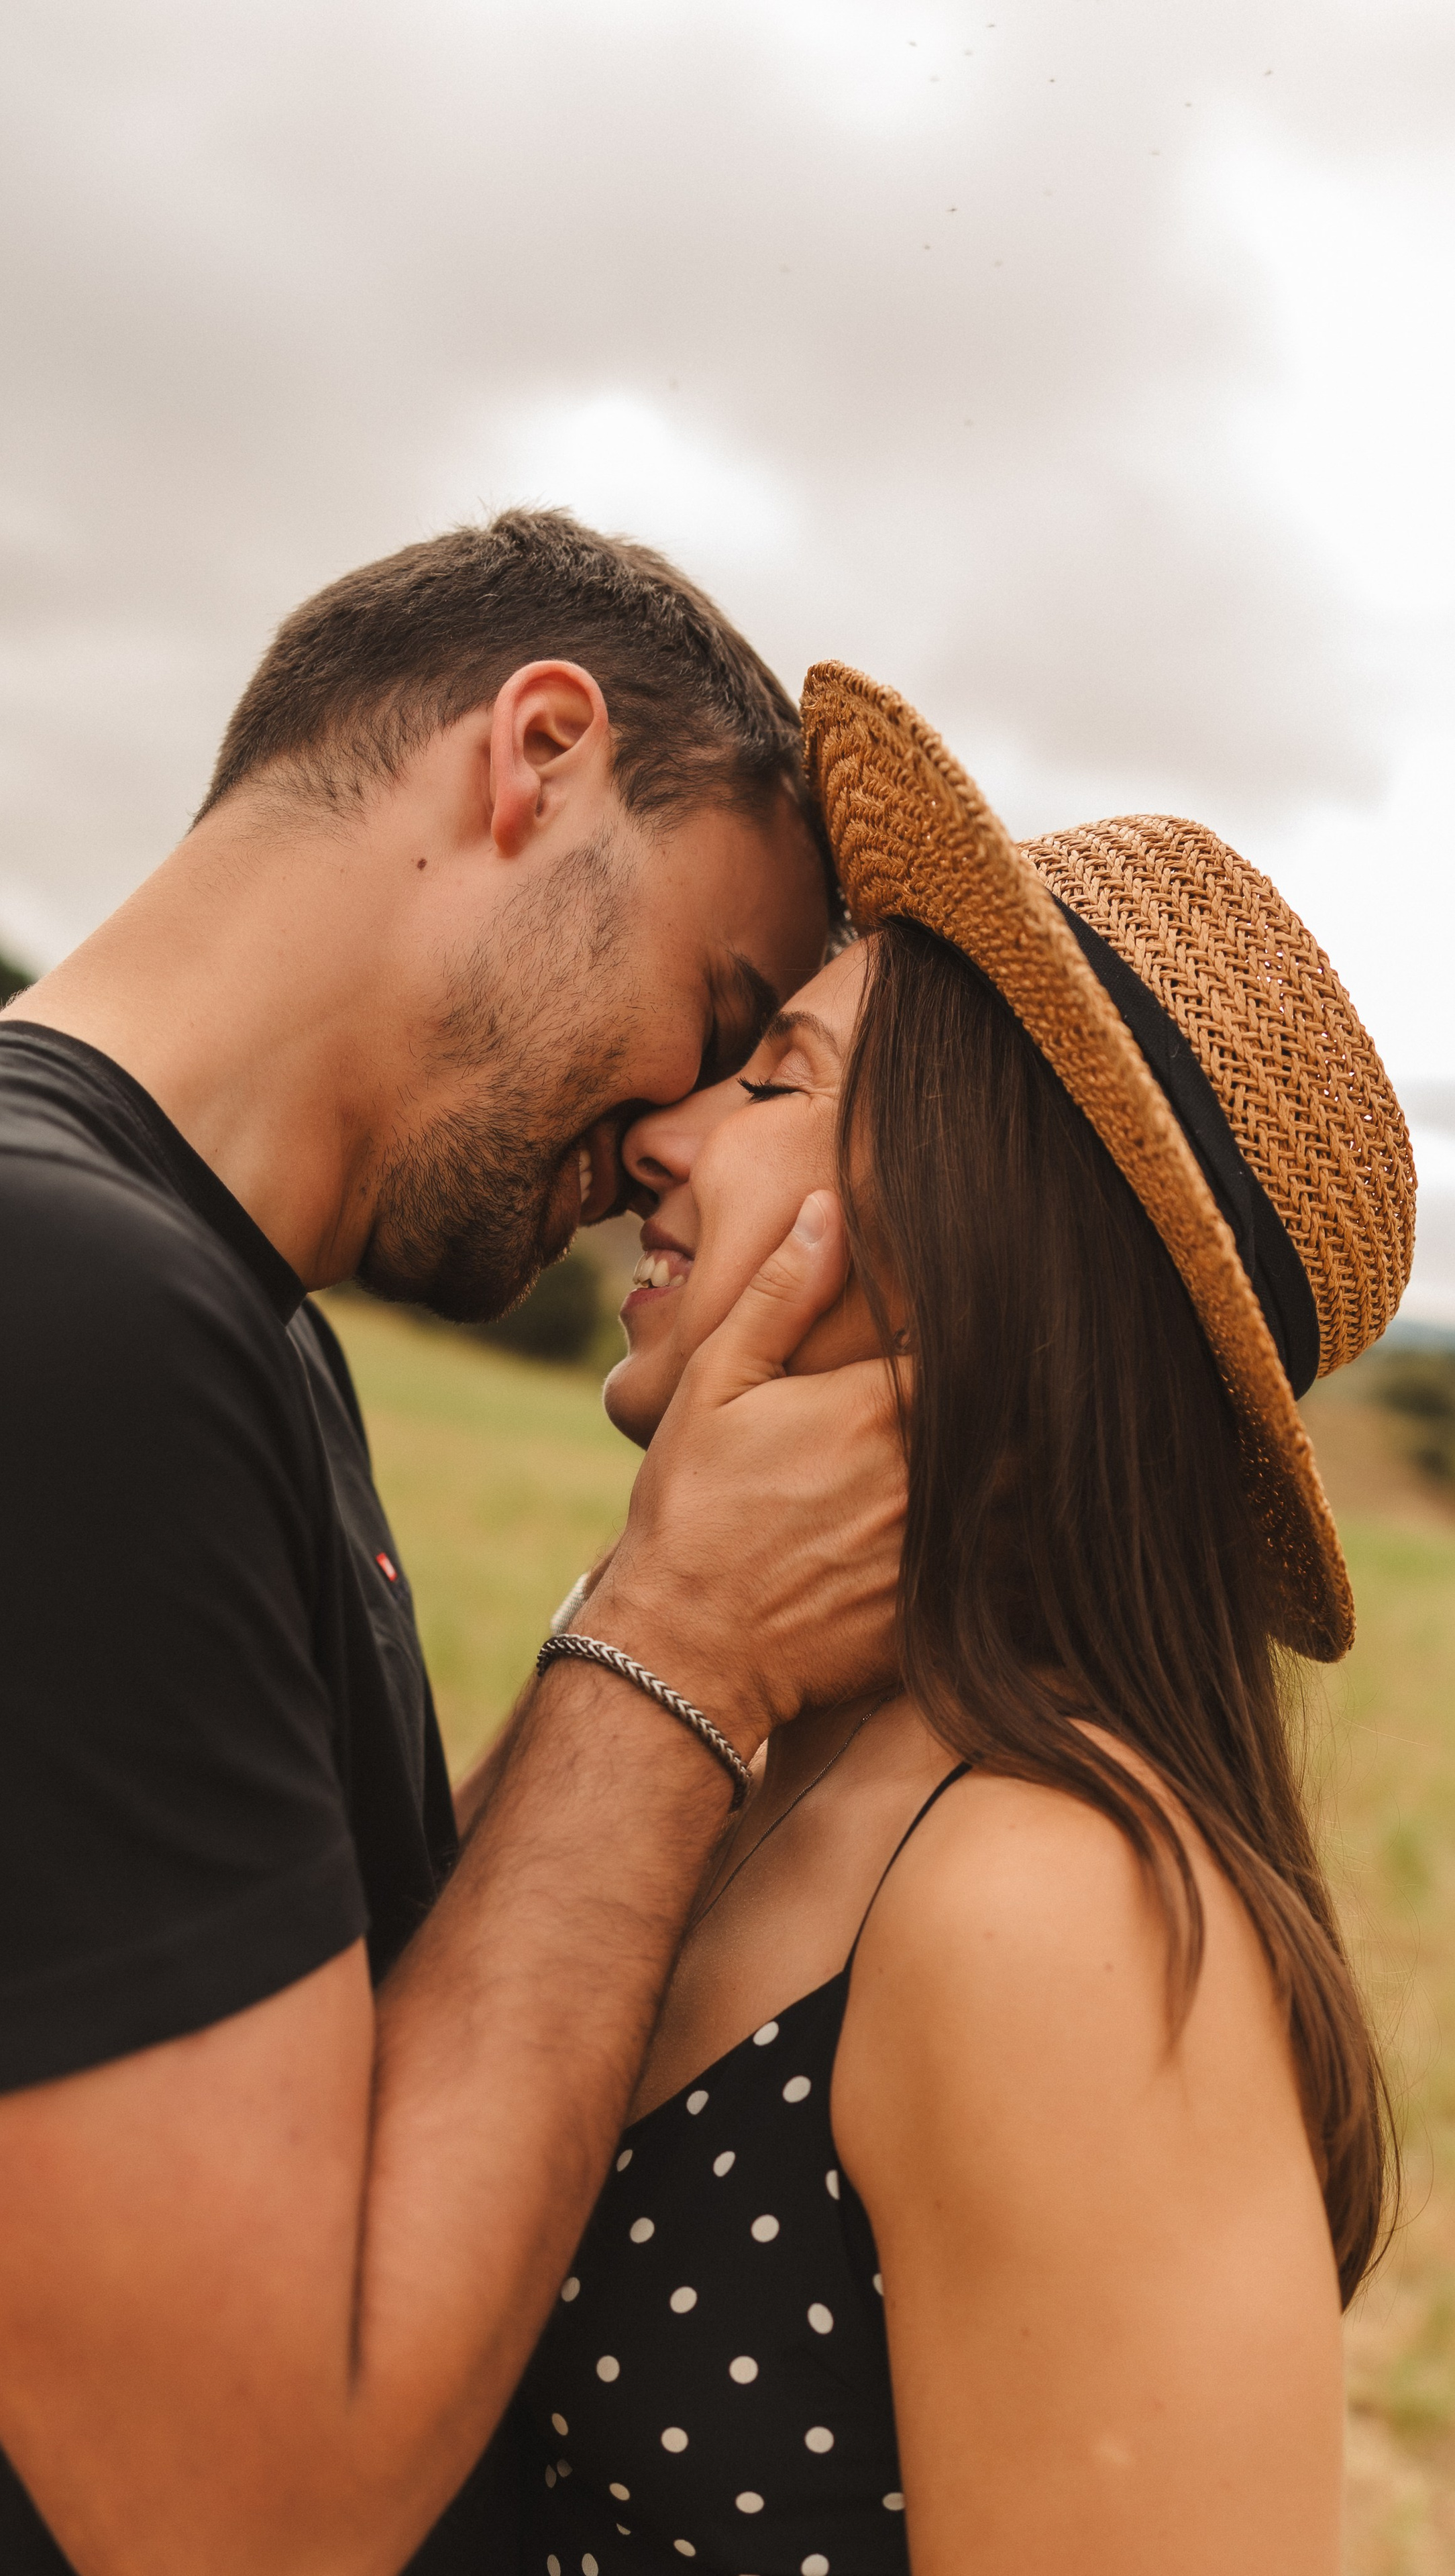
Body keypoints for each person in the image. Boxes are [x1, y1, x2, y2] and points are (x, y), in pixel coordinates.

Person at [0, 517, 908, 2576]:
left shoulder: (200, 1327)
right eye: (723, 1007)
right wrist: (682, 1642)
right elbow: (251, 2516)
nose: (674, 1138)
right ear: (535, 757)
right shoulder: (2, 1307)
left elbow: (337, 2114)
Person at [513, 665, 1414, 2576]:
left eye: (782, 1082)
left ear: (978, 1237)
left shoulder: (1045, 1903)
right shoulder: (721, 1728)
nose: (668, 1132)